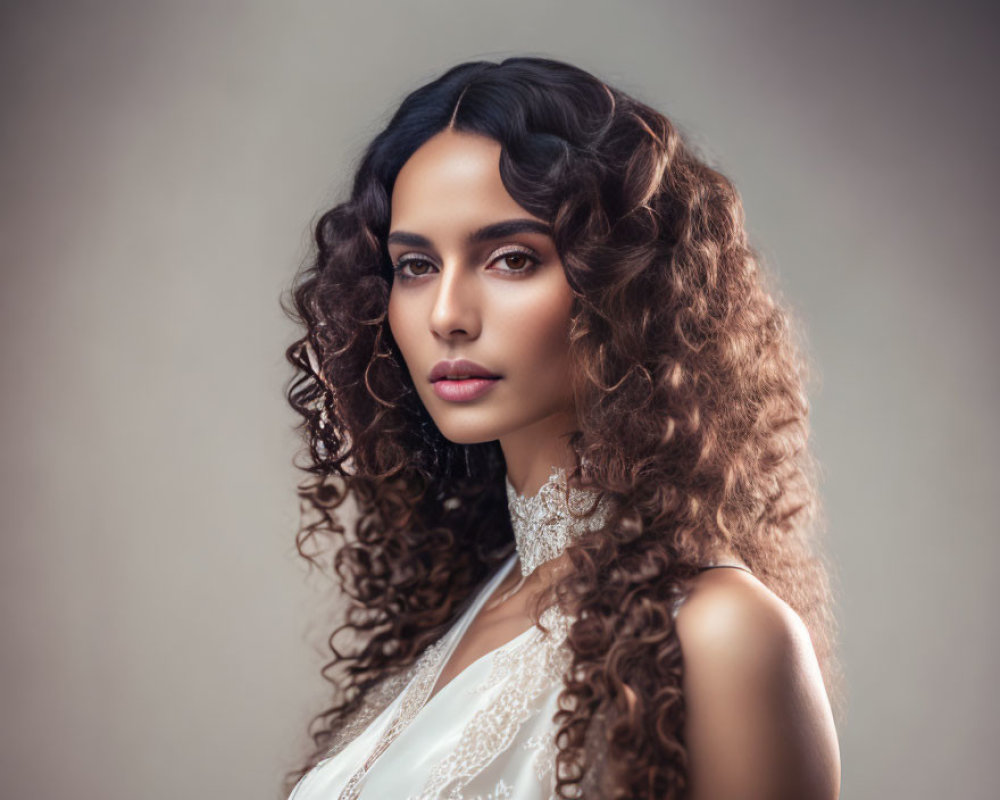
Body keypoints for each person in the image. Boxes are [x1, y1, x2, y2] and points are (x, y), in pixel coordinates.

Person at [280, 56, 842, 799]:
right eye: (415, 265)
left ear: (625, 285)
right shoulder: (473, 605)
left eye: (511, 259)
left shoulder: (723, 633)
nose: (447, 313)